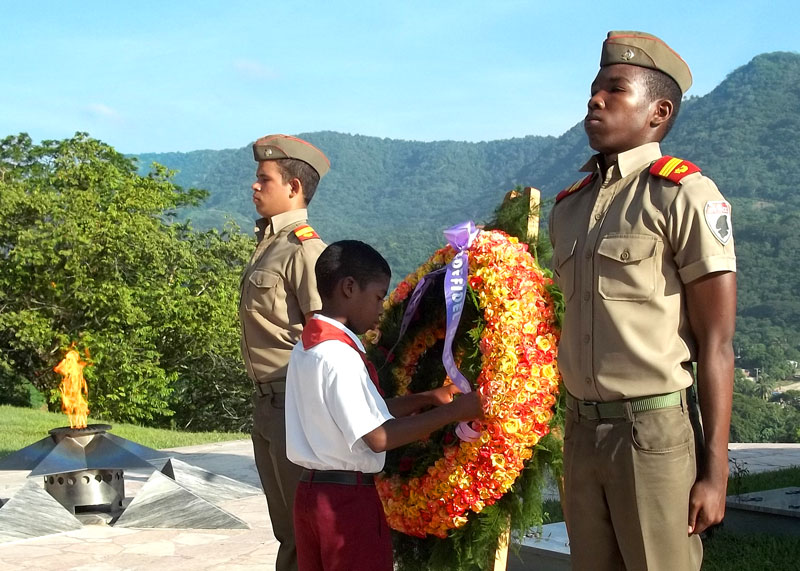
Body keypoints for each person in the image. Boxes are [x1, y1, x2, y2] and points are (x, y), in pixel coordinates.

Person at [548, 31, 737, 570]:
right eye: (593, 88)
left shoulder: (682, 194)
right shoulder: (569, 208)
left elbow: (718, 344)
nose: (595, 99)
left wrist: (713, 474)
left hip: (652, 433)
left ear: (658, 112)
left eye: (614, 89)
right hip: (581, 432)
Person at [285, 240, 484, 571]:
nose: (381, 308)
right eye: (378, 296)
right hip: (346, 506)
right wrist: (456, 412)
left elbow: (357, 412)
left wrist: (425, 398)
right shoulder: (339, 356)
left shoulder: (308, 347)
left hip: (311, 493)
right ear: (349, 287)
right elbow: (377, 435)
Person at [239, 133, 330, 571]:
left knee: (301, 532)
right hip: (267, 404)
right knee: (286, 530)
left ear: (293, 187)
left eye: (264, 179)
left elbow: (328, 333)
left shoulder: (304, 248)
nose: (254, 187)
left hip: (294, 402)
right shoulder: (269, 245)